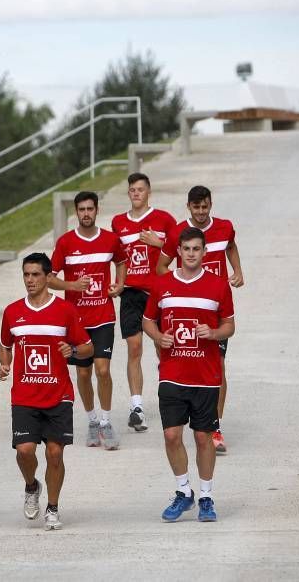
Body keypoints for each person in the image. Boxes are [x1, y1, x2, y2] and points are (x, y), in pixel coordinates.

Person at [143, 227, 235, 523]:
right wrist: (159, 337)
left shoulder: (218, 286)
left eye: (197, 249)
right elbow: (147, 321)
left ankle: (206, 496)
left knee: (203, 437)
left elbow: (229, 326)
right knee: (171, 435)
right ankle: (184, 492)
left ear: (204, 252)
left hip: (205, 377)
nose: (191, 254)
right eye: (186, 249)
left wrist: (213, 332)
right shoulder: (162, 285)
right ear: (178, 252)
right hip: (172, 373)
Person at [0, 253, 93, 530]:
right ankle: (31, 486)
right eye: (26, 275)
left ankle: (52, 507)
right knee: (25, 451)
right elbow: (6, 344)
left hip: (58, 395)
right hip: (24, 397)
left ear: (48, 277)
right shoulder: (13, 312)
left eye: (36, 275)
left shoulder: (64, 310)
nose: (30, 280)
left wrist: (72, 350)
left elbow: (88, 347)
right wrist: (4, 365)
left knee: (54, 453)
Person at [156, 185, 244, 453]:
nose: (202, 212)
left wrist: (238, 271)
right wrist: (172, 293)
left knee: (219, 366)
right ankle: (186, 419)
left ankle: (214, 427)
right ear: (188, 207)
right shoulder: (178, 233)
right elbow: (161, 266)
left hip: (214, 310)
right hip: (185, 311)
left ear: (210, 204)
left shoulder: (225, 227)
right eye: (196, 208)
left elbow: (231, 246)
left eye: (205, 206)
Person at [49, 191, 126, 450]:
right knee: (83, 372)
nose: (85, 214)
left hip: (103, 315)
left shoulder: (110, 239)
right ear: (76, 212)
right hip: (76, 321)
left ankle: (105, 422)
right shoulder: (66, 242)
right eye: (81, 209)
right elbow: (49, 277)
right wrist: (72, 284)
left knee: (103, 370)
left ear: (96, 210)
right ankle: (92, 420)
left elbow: (121, 260)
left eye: (90, 209)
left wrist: (119, 284)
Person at [111, 172, 176, 432]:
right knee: (134, 347)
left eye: (140, 189)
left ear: (149, 192)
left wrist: (158, 242)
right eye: (132, 190)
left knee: (163, 346)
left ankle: (168, 396)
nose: (136, 193)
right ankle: (136, 407)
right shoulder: (118, 222)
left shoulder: (164, 219)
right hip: (131, 293)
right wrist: (116, 283)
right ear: (128, 193)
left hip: (158, 292)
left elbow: (180, 250)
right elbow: (116, 257)